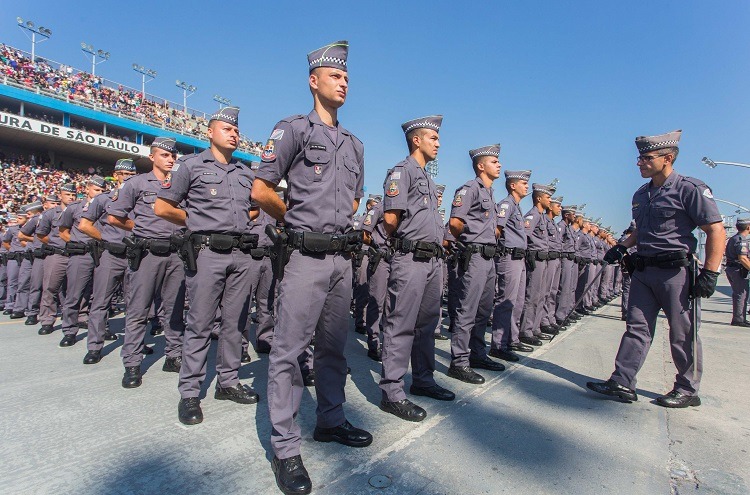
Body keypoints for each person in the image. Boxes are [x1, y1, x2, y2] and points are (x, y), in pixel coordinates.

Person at [251, 41, 372, 495]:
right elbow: (261, 190)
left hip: (342, 258)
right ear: (313, 81)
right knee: (287, 352)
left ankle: (331, 420)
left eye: (346, 77)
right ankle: (285, 449)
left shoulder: (355, 144)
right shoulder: (293, 129)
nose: (343, 82)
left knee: (334, 350)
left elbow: (355, 198)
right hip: (304, 256)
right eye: (334, 75)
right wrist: (297, 221)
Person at [588, 130, 725, 408]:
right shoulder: (641, 194)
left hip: (675, 273)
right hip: (644, 271)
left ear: (668, 158)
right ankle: (623, 381)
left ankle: (687, 389)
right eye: (639, 158)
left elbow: (716, 230)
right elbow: (641, 228)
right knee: (636, 327)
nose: (640, 163)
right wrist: (623, 246)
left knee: (682, 332)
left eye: (647, 158)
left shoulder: (690, 189)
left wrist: (711, 272)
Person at [157, 109, 265, 421]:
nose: (234, 133)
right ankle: (190, 392)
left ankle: (228, 382)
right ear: (210, 132)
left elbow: (254, 210)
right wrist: (196, 221)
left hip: (240, 255)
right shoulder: (190, 166)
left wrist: (240, 222)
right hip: (207, 254)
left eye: (236, 129)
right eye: (227, 128)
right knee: (201, 322)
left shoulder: (245, 173)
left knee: (235, 323)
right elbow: (162, 207)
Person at [378, 114, 455, 425]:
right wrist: (409, 244)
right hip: (410, 259)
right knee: (400, 325)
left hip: (433, 262)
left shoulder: (427, 178)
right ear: (416, 140)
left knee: (427, 325)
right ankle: (392, 392)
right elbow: (391, 220)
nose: (438, 143)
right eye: (433, 138)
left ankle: (423, 379)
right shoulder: (402, 172)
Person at [109, 137, 186, 389]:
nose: (170, 159)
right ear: (152, 156)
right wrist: (140, 229)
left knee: (175, 309)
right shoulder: (136, 183)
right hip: (147, 253)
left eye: (173, 155)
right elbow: (115, 217)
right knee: (138, 309)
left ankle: (173, 355)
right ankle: (132, 362)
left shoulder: (180, 183)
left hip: (176, 253)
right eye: (165, 155)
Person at [446, 144, 505, 384]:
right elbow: (455, 222)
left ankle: (478, 354)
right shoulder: (469, 189)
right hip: (475, 255)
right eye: (494, 161)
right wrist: (467, 242)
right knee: (467, 309)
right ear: (481, 166)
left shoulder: (490, 192)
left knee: (483, 310)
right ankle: (459, 361)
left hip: (488, 258)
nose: (499, 164)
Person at [78, 159, 137, 364]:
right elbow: (85, 225)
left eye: (131, 175)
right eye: (123, 174)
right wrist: (106, 239)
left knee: (135, 305)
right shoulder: (103, 199)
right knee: (101, 302)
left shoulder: (139, 198)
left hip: (134, 255)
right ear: (115, 175)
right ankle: (95, 346)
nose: (127, 178)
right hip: (111, 255)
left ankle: (134, 344)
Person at [57, 176, 105, 347]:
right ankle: (69, 329)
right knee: (74, 294)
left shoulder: (107, 206)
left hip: (102, 254)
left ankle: (100, 329)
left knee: (101, 297)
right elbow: (63, 231)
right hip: (82, 255)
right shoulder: (74, 208)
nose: (100, 193)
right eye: (96, 190)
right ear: (87, 189)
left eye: (102, 190)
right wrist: (78, 243)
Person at [491, 170, 534, 361]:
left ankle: (510, 340)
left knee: (516, 302)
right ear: (512, 185)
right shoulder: (507, 205)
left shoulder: (516, 207)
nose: (527, 186)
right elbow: (496, 230)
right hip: (509, 257)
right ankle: (498, 345)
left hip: (519, 258)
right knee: (505, 302)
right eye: (523, 183)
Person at [36, 183, 77, 335]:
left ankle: (78, 318)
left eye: (73, 195)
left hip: (75, 254)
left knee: (75, 290)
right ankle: (47, 320)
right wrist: (54, 243)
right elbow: (41, 234)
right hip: (57, 254)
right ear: (60, 196)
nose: (71, 197)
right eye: (68, 195)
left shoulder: (79, 210)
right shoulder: (50, 214)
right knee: (50, 288)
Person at [519, 182, 556, 347]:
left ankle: (534, 328)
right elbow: (524, 236)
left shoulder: (542, 217)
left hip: (544, 259)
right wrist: (528, 255)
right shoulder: (532, 215)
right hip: (535, 259)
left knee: (542, 295)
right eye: (548, 197)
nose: (550, 200)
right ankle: (525, 330)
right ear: (539, 198)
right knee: (532, 295)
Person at [724, 218, 750, 327]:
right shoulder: (742, 240)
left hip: (732, 269)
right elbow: (743, 258)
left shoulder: (733, 238)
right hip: (738, 270)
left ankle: (740, 318)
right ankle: (738, 319)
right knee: (741, 294)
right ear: (748, 227)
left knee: (739, 294)